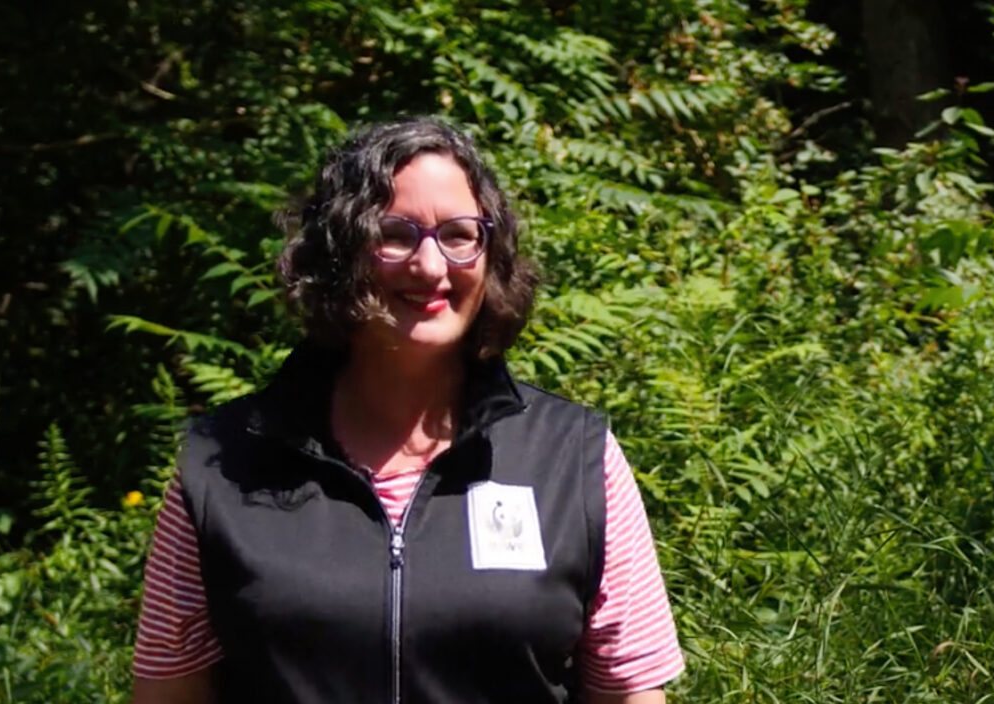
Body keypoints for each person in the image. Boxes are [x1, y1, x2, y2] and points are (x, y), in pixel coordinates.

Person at [131, 117, 684, 704]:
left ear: (490, 251)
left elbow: (628, 693)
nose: (431, 266)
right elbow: (171, 692)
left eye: (459, 234)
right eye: (394, 234)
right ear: (337, 253)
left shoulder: (574, 460)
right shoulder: (223, 465)